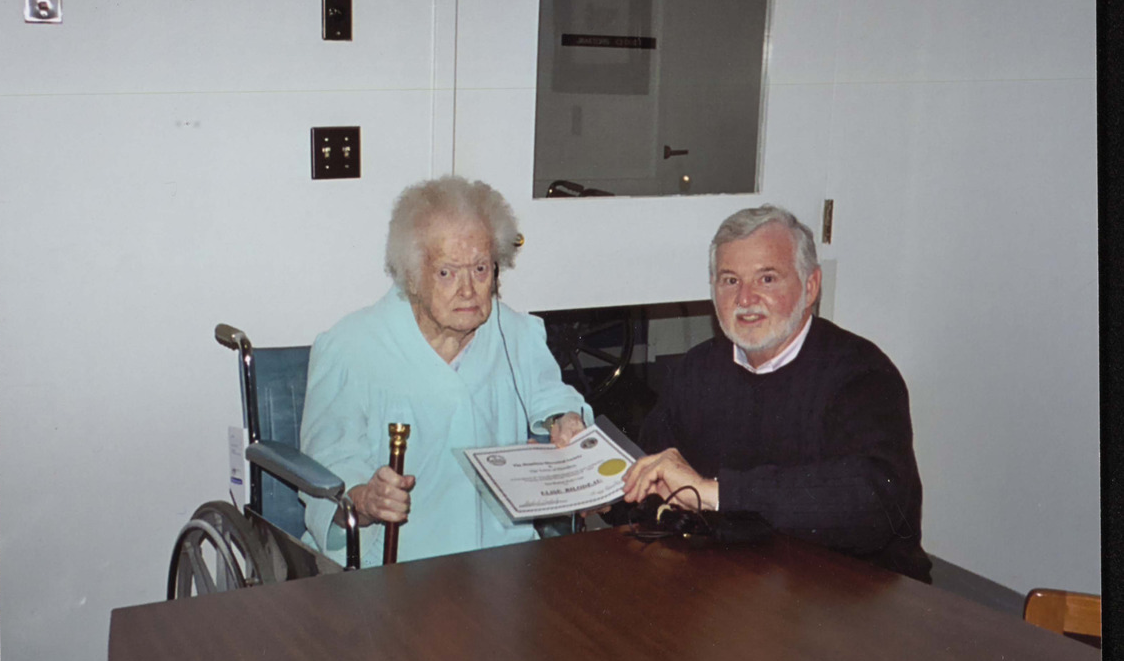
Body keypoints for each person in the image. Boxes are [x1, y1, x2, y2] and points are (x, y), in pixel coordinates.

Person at [622, 205, 932, 582]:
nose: (746, 299)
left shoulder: (861, 373)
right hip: (736, 585)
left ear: (811, 287)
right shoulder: (696, 369)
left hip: (850, 596)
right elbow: (653, 470)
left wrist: (719, 493)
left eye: (767, 279)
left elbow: (876, 502)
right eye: (730, 280)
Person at [299, 176, 591, 568]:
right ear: (412, 275)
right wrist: (365, 498)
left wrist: (565, 419)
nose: (469, 290)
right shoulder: (352, 347)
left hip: (501, 560)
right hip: (395, 568)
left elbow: (550, 396)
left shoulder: (516, 333)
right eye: (446, 273)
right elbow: (330, 458)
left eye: (481, 269)